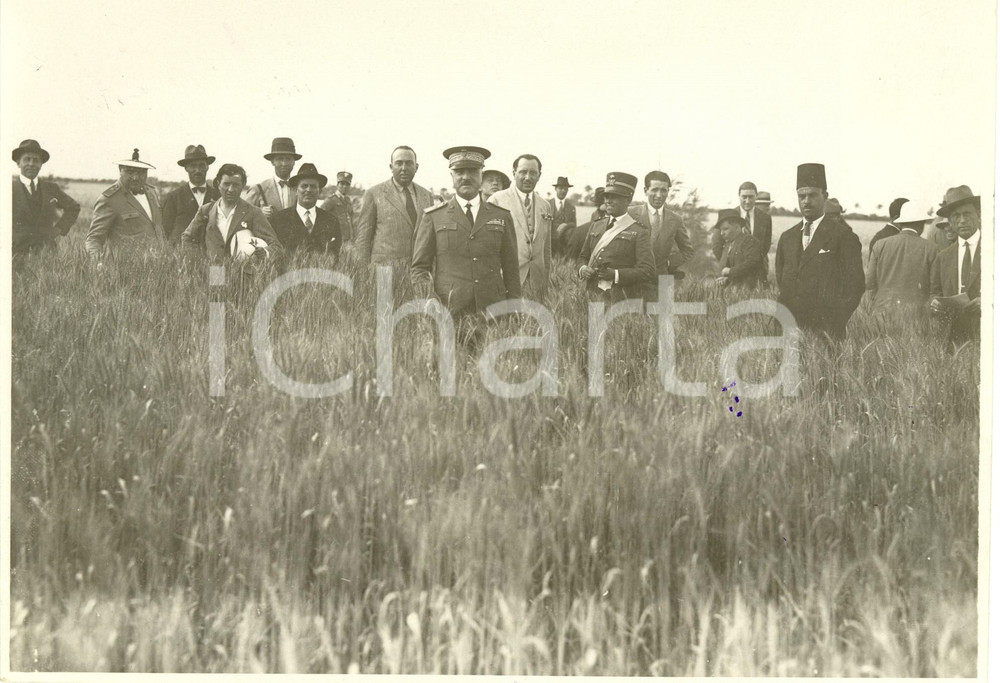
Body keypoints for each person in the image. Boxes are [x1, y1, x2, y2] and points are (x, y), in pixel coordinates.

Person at [411, 146, 521, 315]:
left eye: (472, 171)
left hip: (493, 311)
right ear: (452, 177)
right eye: (460, 172)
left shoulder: (502, 216)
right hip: (448, 310)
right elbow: (419, 268)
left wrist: (514, 309)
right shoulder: (434, 217)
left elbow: (511, 269)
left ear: (481, 176)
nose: (466, 177)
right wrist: (429, 297)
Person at [774, 163, 865, 340]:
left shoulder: (843, 236)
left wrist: (834, 323)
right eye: (802, 196)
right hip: (787, 332)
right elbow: (782, 280)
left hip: (826, 335)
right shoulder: (787, 238)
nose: (806, 201)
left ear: (825, 196)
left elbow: (856, 286)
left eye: (812, 195)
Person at [577, 172, 656, 302]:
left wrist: (616, 275)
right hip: (591, 295)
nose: (608, 200)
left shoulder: (639, 231)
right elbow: (583, 257)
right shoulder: (596, 225)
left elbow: (647, 271)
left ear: (628, 200)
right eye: (607, 196)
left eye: (615, 196)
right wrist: (582, 269)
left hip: (620, 299)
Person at [181, 163, 283, 262]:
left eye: (236, 185)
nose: (230, 189)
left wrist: (265, 252)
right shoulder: (206, 210)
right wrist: (200, 260)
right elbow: (187, 238)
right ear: (218, 184)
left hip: (244, 273)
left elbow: (276, 245)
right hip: (214, 273)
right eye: (226, 184)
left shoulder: (253, 212)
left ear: (243, 185)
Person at [487, 154, 552, 300]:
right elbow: (489, 247)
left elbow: (546, 247)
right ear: (514, 173)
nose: (528, 177)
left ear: (539, 175)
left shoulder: (545, 206)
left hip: (536, 281)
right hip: (506, 279)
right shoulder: (497, 200)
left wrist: (545, 279)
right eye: (523, 172)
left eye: (533, 173)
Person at [357, 145, 435, 266]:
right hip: (383, 272)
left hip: (419, 271)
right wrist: (363, 275)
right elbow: (363, 239)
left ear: (416, 167)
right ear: (391, 167)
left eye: (409, 163)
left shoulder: (427, 196)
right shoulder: (373, 193)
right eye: (399, 163)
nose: (404, 168)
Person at [85, 148, 165, 258]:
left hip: (158, 267)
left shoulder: (151, 192)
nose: (136, 177)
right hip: (126, 270)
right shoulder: (109, 199)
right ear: (120, 170)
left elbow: (158, 229)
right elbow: (94, 239)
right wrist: (98, 264)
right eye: (130, 171)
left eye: (141, 172)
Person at [929, 185, 981, 342]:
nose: (962, 221)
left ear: (978, 215)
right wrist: (934, 304)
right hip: (953, 340)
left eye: (967, 214)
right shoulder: (943, 257)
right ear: (950, 221)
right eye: (956, 216)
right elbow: (934, 292)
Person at [865, 200, 939, 310]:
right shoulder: (932, 249)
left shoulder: (879, 244)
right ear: (922, 223)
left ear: (900, 223)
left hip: (881, 314)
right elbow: (935, 289)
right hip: (916, 315)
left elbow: (869, 283)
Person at [11, 139, 80, 255]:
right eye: (27, 159)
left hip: (46, 253)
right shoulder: (7, 189)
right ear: (18, 163)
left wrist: (58, 229)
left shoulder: (51, 188)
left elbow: (73, 207)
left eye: (36, 160)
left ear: (41, 165)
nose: (31, 164)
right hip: (15, 255)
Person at [627, 170, 693, 279]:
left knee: (665, 297)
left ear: (668, 191)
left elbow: (688, 251)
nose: (659, 195)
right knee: (634, 297)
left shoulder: (676, 219)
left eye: (663, 190)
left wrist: (668, 263)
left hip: (664, 278)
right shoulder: (630, 214)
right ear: (645, 191)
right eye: (654, 190)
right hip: (634, 277)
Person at [271, 163, 341, 257]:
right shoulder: (279, 219)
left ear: (319, 191)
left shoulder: (331, 221)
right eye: (304, 186)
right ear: (295, 190)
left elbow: (336, 257)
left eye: (313, 186)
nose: (308, 190)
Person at [161, 145, 220, 243]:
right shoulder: (173, 197)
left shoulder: (218, 196)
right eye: (193, 166)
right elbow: (165, 231)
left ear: (207, 167)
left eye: (201, 165)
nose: (197, 170)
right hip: (181, 253)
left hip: (210, 253)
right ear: (186, 168)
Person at [712, 181, 772, 273]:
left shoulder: (765, 218)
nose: (747, 201)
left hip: (756, 270)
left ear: (756, 196)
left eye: (751, 197)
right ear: (739, 196)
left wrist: (752, 264)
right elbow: (716, 244)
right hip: (730, 271)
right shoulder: (727, 216)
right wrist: (729, 263)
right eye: (744, 197)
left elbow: (765, 245)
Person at [244, 137, 301, 219]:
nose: (284, 163)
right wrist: (259, 213)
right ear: (272, 162)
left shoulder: (300, 188)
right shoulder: (259, 189)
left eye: (288, 159)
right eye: (279, 159)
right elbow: (242, 213)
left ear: (293, 162)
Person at [714, 209, 765, 289]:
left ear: (737, 228)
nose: (721, 233)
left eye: (725, 229)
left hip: (753, 292)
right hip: (737, 292)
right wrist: (726, 279)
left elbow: (752, 264)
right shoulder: (728, 245)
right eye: (721, 230)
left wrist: (730, 272)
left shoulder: (750, 241)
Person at [566, 187, 604, 261]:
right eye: (597, 204)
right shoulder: (595, 214)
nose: (598, 205)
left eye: (600, 203)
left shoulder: (609, 214)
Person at [320, 171, 356, 242]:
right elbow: (319, 217)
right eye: (342, 184)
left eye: (347, 184)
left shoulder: (348, 200)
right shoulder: (330, 200)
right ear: (337, 184)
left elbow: (351, 219)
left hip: (348, 240)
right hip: (335, 240)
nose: (345, 186)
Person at [551, 176, 578, 258]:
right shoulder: (547, 205)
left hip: (564, 246)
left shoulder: (571, 207)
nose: (563, 191)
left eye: (566, 189)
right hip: (549, 244)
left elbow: (574, 227)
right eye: (561, 188)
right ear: (555, 189)